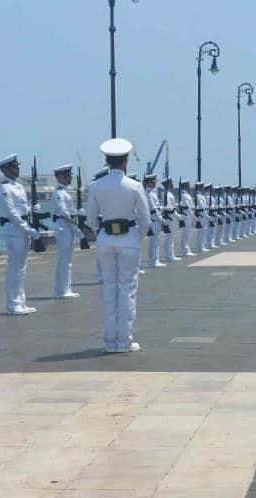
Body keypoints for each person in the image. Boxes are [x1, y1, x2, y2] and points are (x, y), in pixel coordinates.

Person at [86, 138, 151, 353]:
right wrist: (136, 236)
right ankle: (124, 341)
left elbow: (91, 219)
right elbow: (146, 219)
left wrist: (102, 232)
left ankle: (109, 341)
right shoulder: (134, 186)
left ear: (107, 161)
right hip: (129, 240)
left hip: (105, 240)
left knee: (109, 290)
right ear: (125, 161)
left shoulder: (96, 186)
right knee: (127, 290)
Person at [0, 154, 41, 314]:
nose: (18, 169)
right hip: (14, 230)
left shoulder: (18, 186)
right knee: (14, 268)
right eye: (14, 166)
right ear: (6, 169)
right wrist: (28, 229)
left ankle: (20, 302)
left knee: (21, 269)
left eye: (17, 166)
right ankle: (12, 304)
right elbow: (11, 213)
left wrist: (31, 210)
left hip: (22, 229)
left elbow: (21, 209)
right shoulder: (4, 187)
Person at [52, 164, 81, 298]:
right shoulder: (59, 192)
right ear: (60, 177)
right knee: (64, 260)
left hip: (66, 227)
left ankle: (64, 289)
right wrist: (76, 229)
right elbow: (64, 213)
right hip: (64, 228)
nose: (70, 177)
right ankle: (62, 290)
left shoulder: (64, 191)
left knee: (66, 260)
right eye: (67, 175)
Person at [143, 174, 165, 268]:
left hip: (155, 220)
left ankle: (155, 260)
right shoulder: (148, 193)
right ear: (149, 182)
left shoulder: (151, 193)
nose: (155, 183)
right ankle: (153, 261)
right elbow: (153, 209)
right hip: (154, 219)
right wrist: (161, 219)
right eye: (154, 181)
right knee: (154, 242)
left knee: (155, 242)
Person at [160, 177, 181, 262]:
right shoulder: (167, 194)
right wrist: (177, 215)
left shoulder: (168, 193)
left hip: (171, 216)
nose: (172, 184)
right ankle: (169, 256)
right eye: (171, 182)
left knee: (170, 237)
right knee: (170, 238)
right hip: (170, 217)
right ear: (168, 184)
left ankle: (170, 255)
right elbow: (168, 207)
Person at [178, 179, 196, 257]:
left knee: (188, 234)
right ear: (185, 186)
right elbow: (188, 207)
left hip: (189, 216)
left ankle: (187, 249)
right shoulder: (184, 195)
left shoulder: (186, 194)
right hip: (187, 215)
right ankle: (185, 250)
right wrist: (193, 216)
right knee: (186, 234)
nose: (189, 186)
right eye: (188, 184)